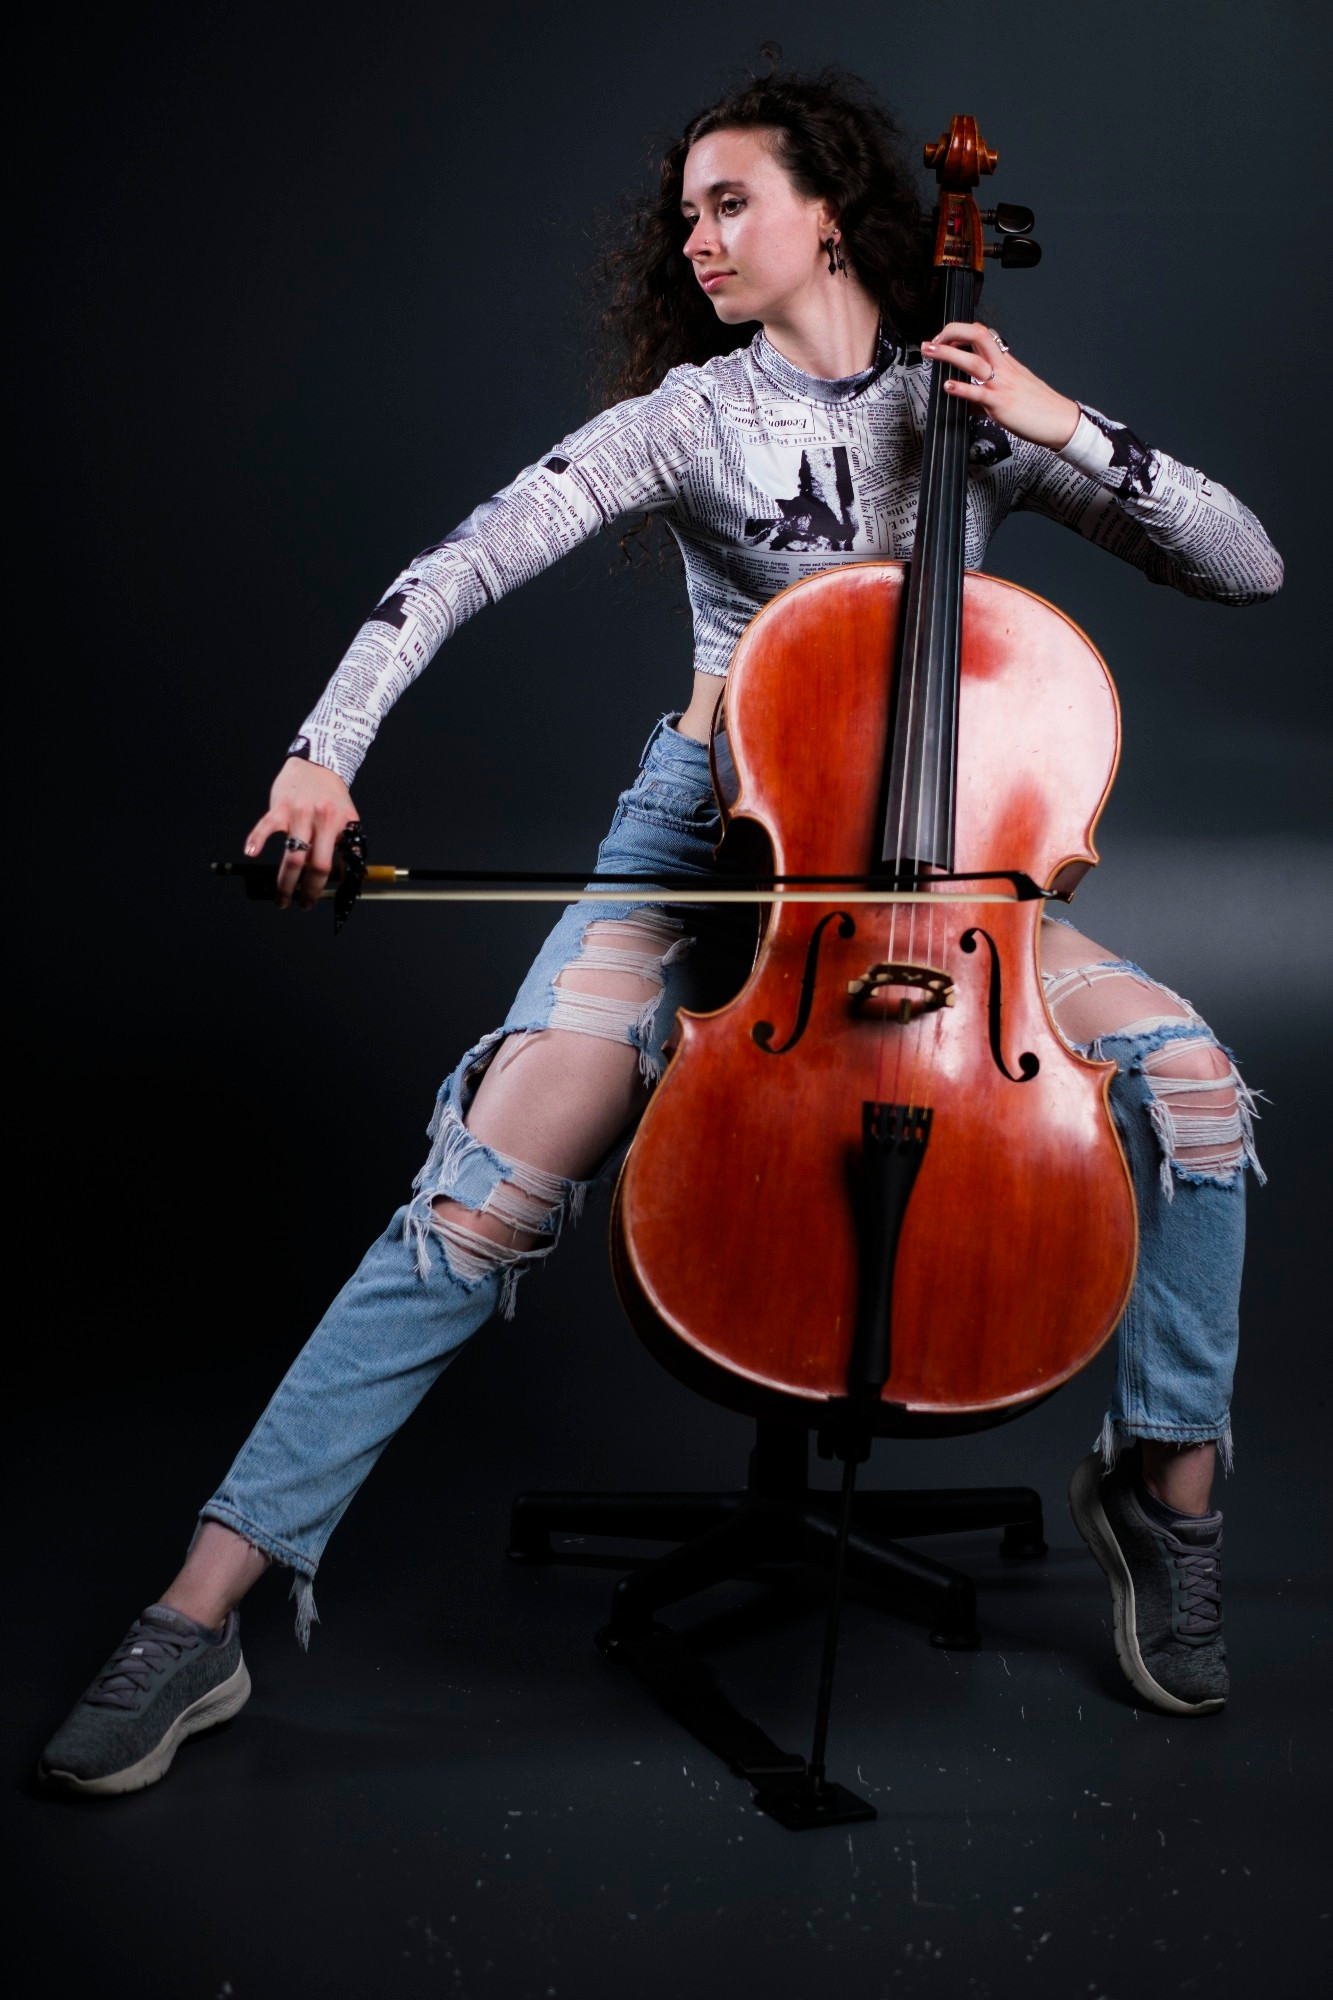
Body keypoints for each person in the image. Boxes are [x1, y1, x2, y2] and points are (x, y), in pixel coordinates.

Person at [39, 68, 1282, 1796]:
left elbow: (1247, 566)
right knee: (486, 1180)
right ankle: (201, 1613)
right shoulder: (689, 418)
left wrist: (1063, 423)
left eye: (728, 203)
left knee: (1198, 1092)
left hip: (935, 879)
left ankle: (1165, 1494)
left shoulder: (973, 407)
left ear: (829, 213)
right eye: (685, 213)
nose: (694, 238)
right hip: (706, 835)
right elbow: (465, 560)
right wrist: (322, 755)